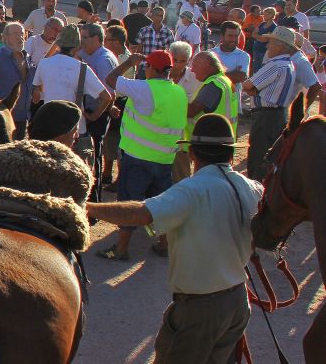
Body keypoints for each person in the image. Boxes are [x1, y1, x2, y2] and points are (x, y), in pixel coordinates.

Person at [87, 113, 257, 363]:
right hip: (237, 301)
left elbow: (142, 213)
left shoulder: (192, 190)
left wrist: (89, 208)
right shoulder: (251, 187)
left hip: (201, 307)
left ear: (193, 154)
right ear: (231, 154)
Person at [98, 50, 187, 260]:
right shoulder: (179, 92)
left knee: (130, 204)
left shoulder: (144, 88)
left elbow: (110, 79)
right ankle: (164, 244)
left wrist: (129, 61)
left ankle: (121, 249)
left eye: (146, 67)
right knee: (162, 206)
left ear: (152, 69)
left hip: (138, 157)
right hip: (165, 158)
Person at [32, 24, 113, 160]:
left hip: (49, 126)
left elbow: (37, 92)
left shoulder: (44, 64)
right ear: (77, 46)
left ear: (59, 43)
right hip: (75, 129)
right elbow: (106, 97)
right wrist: (93, 117)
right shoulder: (82, 69)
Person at [243, 26, 298, 181]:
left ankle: (256, 190)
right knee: (274, 156)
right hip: (279, 114)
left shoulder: (275, 65)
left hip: (266, 116)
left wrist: (253, 89)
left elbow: (248, 85)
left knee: (258, 156)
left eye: (271, 42)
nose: (267, 46)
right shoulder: (289, 65)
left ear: (280, 45)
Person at [178, 51, 238, 184]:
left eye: (195, 66)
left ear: (208, 66)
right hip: (222, 139)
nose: (192, 70)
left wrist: (174, 99)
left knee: (206, 180)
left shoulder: (214, 85)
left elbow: (192, 111)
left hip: (210, 143)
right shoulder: (224, 80)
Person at [80, 23, 120, 202]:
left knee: (94, 154)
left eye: (85, 38)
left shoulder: (103, 59)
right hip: (88, 112)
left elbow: (109, 94)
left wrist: (95, 115)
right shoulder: (86, 54)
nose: (82, 41)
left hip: (96, 114)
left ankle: (93, 202)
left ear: (97, 38)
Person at [99, 25, 132, 188]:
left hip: (120, 103)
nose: (105, 41)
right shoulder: (112, 55)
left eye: (108, 39)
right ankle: (106, 173)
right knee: (108, 140)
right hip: (112, 100)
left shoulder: (125, 60)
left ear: (117, 42)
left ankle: (118, 178)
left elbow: (118, 85)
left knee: (117, 141)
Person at [169, 42, 203, 183]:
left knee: (181, 177)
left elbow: (195, 108)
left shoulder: (196, 79)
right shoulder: (158, 74)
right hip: (160, 135)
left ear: (188, 61)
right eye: (175, 60)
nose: (177, 64)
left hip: (183, 138)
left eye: (182, 61)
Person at [211, 21, 251, 112]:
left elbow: (240, 77)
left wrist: (215, 75)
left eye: (236, 36)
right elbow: (204, 77)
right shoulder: (211, 53)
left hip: (232, 105)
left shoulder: (243, 56)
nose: (233, 39)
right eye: (230, 36)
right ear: (222, 36)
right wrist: (232, 74)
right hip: (212, 104)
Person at [251, 6, 278, 74]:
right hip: (256, 49)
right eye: (264, 14)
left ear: (272, 15)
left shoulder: (274, 27)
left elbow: (265, 39)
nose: (264, 16)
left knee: (262, 69)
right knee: (255, 69)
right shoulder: (262, 24)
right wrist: (260, 36)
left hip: (264, 51)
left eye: (266, 14)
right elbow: (253, 34)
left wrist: (258, 36)